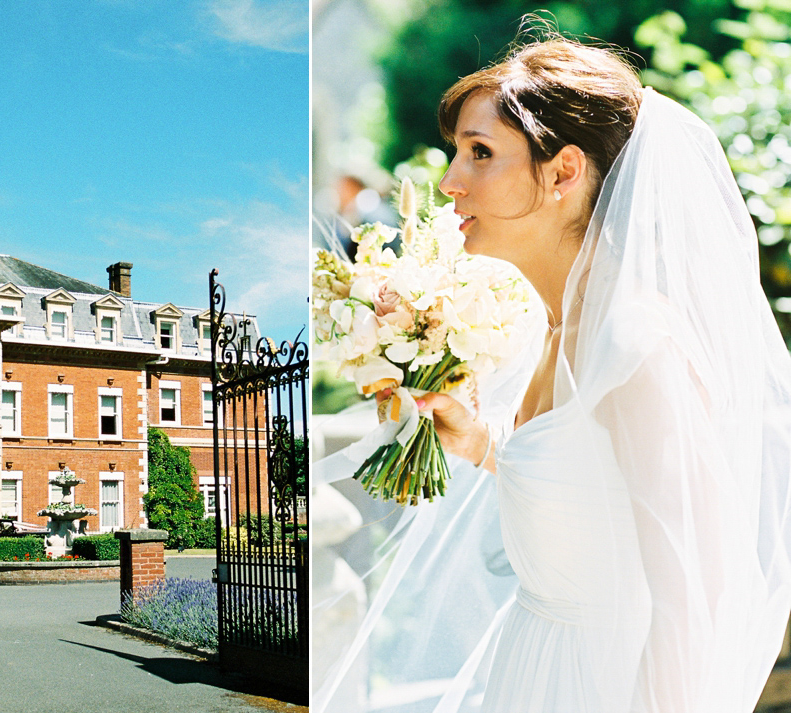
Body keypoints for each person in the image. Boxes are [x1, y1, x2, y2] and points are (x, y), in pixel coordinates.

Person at [312, 36, 791, 713]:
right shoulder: (555, 322)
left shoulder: (637, 344)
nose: (451, 180)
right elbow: (593, 498)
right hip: (535, 667)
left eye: (480, 152)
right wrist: (480, 442)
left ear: (564, 172)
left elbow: (696, 591)